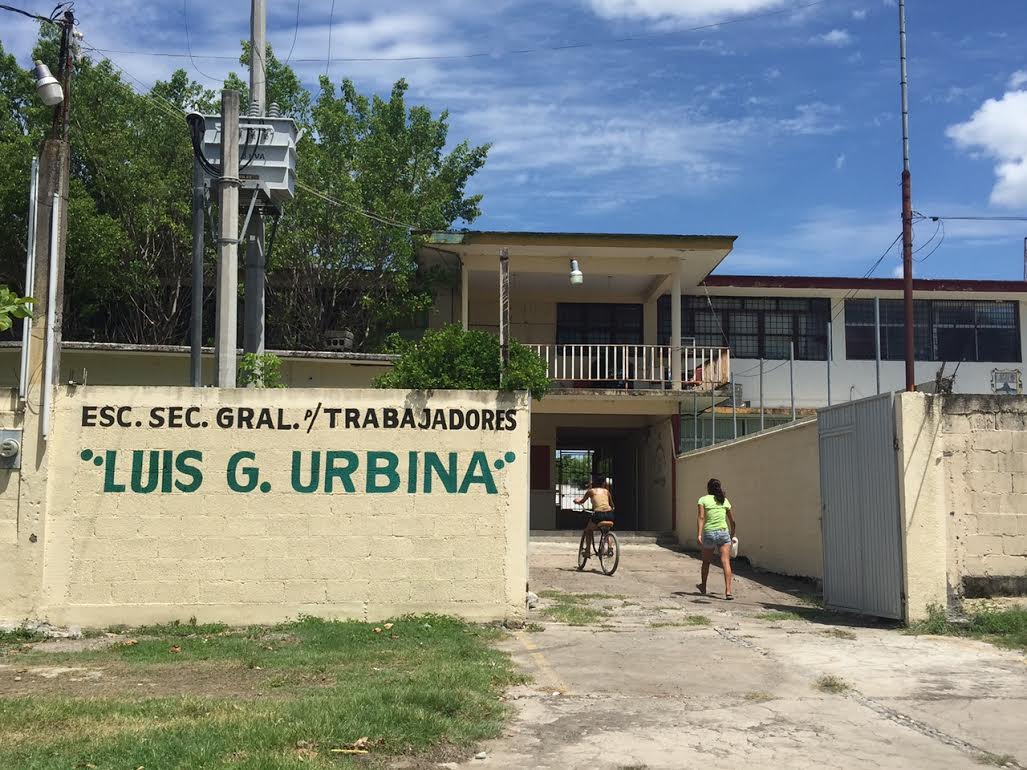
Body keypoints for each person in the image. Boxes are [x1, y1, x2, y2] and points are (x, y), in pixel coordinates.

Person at [696, 478, 736, 599]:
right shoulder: (724, 500)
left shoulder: (703, 500)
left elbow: (701, 517)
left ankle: (703, 586)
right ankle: (728, 591)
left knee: (706, 561)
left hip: (710, 533)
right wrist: (732, 533)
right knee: (726, 562)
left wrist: (699, 534)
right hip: (723, 532)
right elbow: (732, 520)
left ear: (708, 488)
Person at [575, 475, 615, 556]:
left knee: (588, 530)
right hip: (609, 514)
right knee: (606, 531)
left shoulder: (591, 491)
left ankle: (587, 551)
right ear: (603, 483)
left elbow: (582, 501)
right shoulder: (606, 492)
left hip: (598, 514)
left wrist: (576, 501)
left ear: (593, 483)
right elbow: (612, 505)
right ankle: (610, 548)